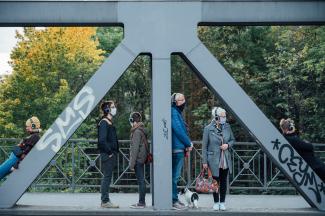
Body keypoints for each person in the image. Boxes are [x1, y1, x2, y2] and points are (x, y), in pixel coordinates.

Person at [202, 107, 235, 211]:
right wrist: (204, 162)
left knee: (224, 181)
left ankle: (222, 202)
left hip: (224, 158)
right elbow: (204, 146)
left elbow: (233, 140)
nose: (224, 118)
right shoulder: (208, 128)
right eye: (222, 116)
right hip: (213, 159)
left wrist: (227, 145)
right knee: (215, 181)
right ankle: (216, 202)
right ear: (216, 117)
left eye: (225, 116)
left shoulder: (227, 126)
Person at [280, 118, 325, 182]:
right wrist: (307, 143)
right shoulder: (292, 139)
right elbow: (310, 147)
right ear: (290, 128)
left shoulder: (285, 138)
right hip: (311, 165)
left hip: (304, 165)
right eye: (293, 126)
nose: (294, 128)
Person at [0, 116, 41, 181]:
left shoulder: (35, 136)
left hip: (14, 159)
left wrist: (17, 164)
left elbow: (26, 152)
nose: (26, 128)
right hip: (13, 158)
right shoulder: (33, 136)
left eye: (28, 126)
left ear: (33, 126)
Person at [171, 93, 193, 210]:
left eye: (184, 99)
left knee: (174, 176)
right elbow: (179, 130)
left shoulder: (176, 112)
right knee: (174, 176)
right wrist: (188, 143)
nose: (183, 102)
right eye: (180, 100)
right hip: (177, 149)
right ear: (175, 102)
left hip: (178, 148)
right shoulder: (174, 112)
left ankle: (173, 198)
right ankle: (173, 200)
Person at [98, 100, 119, 208]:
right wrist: (110, 152)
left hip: (111, 154)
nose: (114, 108)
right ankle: (105, 201)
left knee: (108, 177)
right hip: (108, 154)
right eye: (112, 107)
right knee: (107, 177)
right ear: (107, 109)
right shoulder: (104, 123)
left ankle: (106, 200)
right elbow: (102, 140)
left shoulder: (109, 122)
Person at [129, 112, 148, 209]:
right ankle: (142, 202)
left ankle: (141, 202)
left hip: (138, 159)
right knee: (141, 180)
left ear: (132, 121)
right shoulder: (141, 130)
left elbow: (135, 149)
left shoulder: (136, 132)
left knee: (141, 181)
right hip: (142, 158)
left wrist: (131, 165)